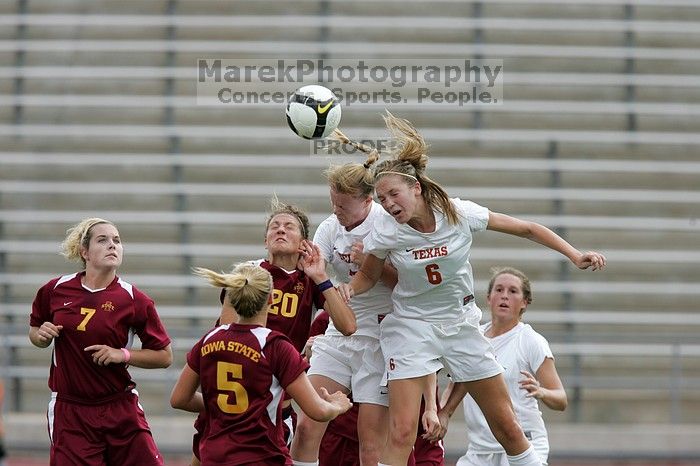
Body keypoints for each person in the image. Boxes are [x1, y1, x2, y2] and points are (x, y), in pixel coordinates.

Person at [337, 112, 606, 466]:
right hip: (411, 327)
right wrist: (347, 290)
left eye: (392, 194)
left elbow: (525, 228)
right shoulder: (387, 230)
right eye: (382, 198)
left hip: (461, 324)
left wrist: (574, 254)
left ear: (416, 187)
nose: (387, 204)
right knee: (402, 432)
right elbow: (369, 276)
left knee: (508, 427)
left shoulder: (460, 213)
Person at [189, 198, 357, 466]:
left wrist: (321, 277)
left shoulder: (310, 281)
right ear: (265, 241)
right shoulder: (250, 274)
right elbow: (226, 333)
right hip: (238, 391)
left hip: (278, 400)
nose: (280, 229)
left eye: (289, 226)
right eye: (274, 226)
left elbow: (348, 326)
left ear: (304, 243)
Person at [170, 263, 352, 466]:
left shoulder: (209, 340)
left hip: (215, 456)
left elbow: (179, 399)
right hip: (262, 457)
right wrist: (337, 405)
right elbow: (318, 411)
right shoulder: (276, 346)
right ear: (271, 299)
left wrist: (224, 405)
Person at [29, 218, 173, 466]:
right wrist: (40, 336)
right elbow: (35, 331)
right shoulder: (55, 289)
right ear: (84, 252)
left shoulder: (135, 299)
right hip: (71, 410)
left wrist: (123, 355)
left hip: (120, 406)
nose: (112, 245)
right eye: (102, 240)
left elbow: (165, 356)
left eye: (117, 240)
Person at [291, 145, 397, 466]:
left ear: (368, 201)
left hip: (380, 339)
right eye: (333, 203)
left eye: (344, 206)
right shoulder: (329, 227)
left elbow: (407, 284)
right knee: (309, 424)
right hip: (339, 334)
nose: (336, 211)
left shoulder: (387, 225)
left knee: (370, 445)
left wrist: (372, 263)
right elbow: (314, 277)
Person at [447, 267, 567, 466]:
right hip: (480, 450)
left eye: (513, 291)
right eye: (499, 290)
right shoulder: (473, 337)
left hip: (524, 442)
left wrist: (541, 392)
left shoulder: (531, 341)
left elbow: (561, 400)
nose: (504, 296)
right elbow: (458, 384)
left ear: (524, 302)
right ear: (488, 297)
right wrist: (442, 414)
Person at [306, 311, 445, 466]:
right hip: (338, 438)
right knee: (306, 430)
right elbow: (308, 369)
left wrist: (434, 408)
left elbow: (422, 363)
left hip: (384, 439)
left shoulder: (405, 317)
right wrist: (309, 355)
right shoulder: (332, 315)